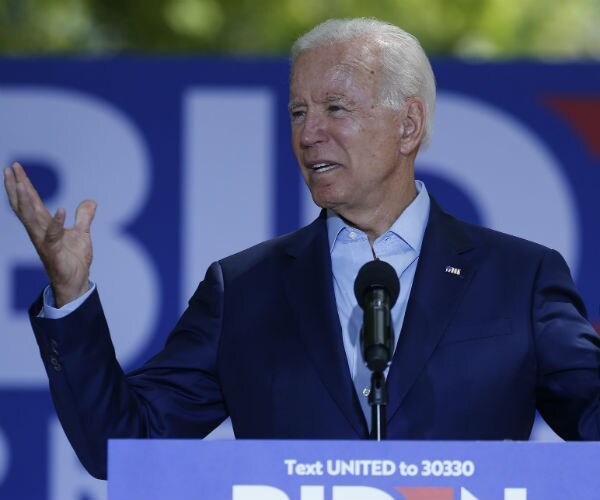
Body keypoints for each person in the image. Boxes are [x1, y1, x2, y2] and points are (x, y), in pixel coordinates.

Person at [4, 18, 600, 480]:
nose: (308, 133)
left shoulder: (520, 278)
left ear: (408, 125)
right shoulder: (242, 290)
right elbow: (123, 448)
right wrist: (70, 294)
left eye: (336, 109)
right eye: (297, 111)